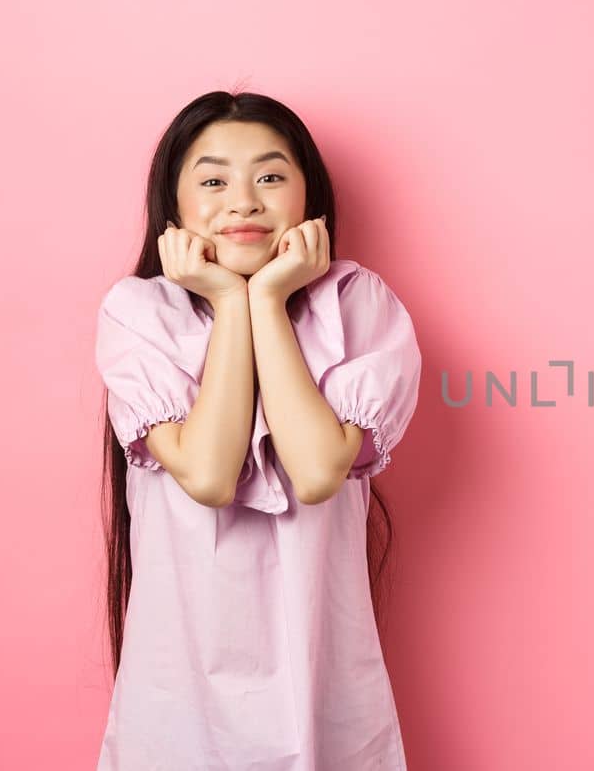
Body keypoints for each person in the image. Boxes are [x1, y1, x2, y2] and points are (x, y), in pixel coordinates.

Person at [93, 90, 421, 770]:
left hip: (322, 683)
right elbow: (210, 476)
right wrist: (225, 297)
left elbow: (317, 468)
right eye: (213, 181)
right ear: (174, 206)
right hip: (178, 694)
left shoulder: (359, 304)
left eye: (270, 177)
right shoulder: (138, 312)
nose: (243, 201)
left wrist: (267, 297)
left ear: (309, 196)